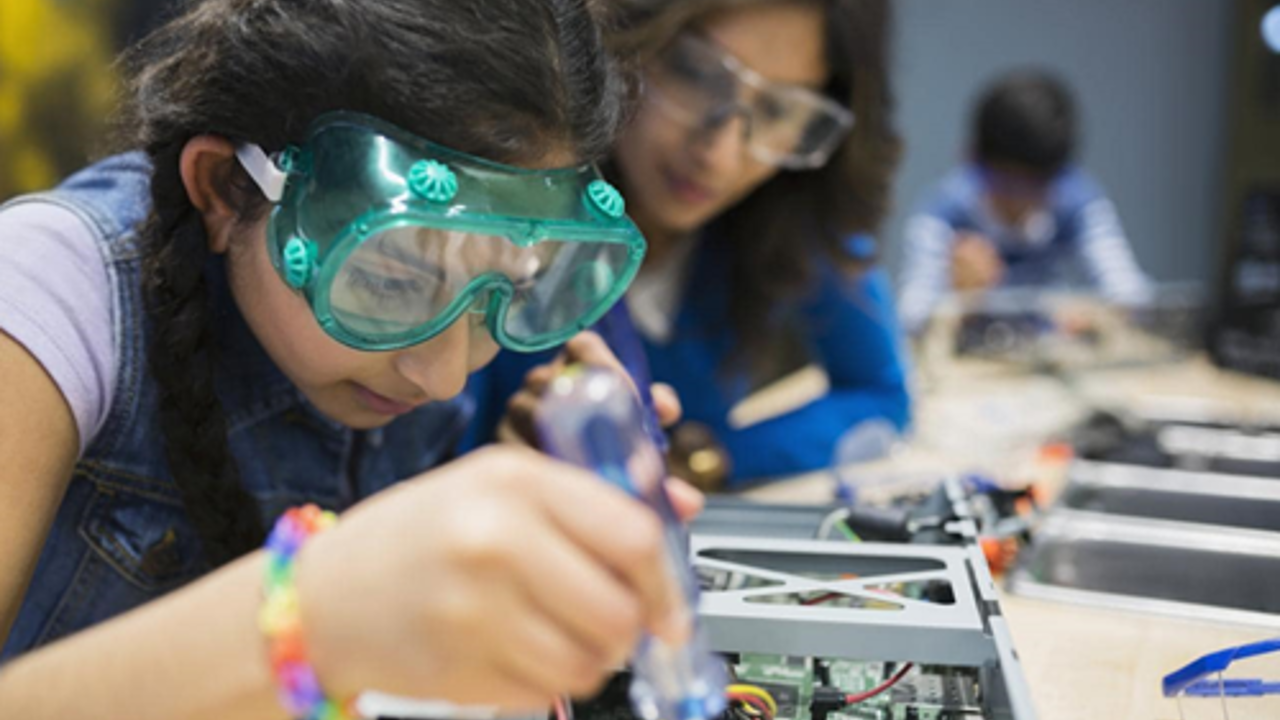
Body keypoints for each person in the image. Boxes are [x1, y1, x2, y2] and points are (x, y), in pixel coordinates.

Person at [0, 1, 700, 717]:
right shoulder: (44, 291)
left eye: (514, 286)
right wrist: (315, 619)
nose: (444, 378)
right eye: (392, 282)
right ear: (222, 187)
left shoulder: (401, 360)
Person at [467, 0, 911, 487]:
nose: (718, 156)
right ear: (616, 36)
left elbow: (882, 395)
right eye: (696, 74)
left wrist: (706, 457)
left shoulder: (792, 214)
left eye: (780, 109)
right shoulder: (502, 209)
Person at [897, 69, 1152, 336]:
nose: (1020, 200)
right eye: (1004, 182)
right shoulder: (943, 215)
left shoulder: (1076, 200)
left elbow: (1131, 295)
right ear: (971, 159)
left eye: (1036, 185)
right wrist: (958, 297)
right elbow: (909, 320)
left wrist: (1096, 316)